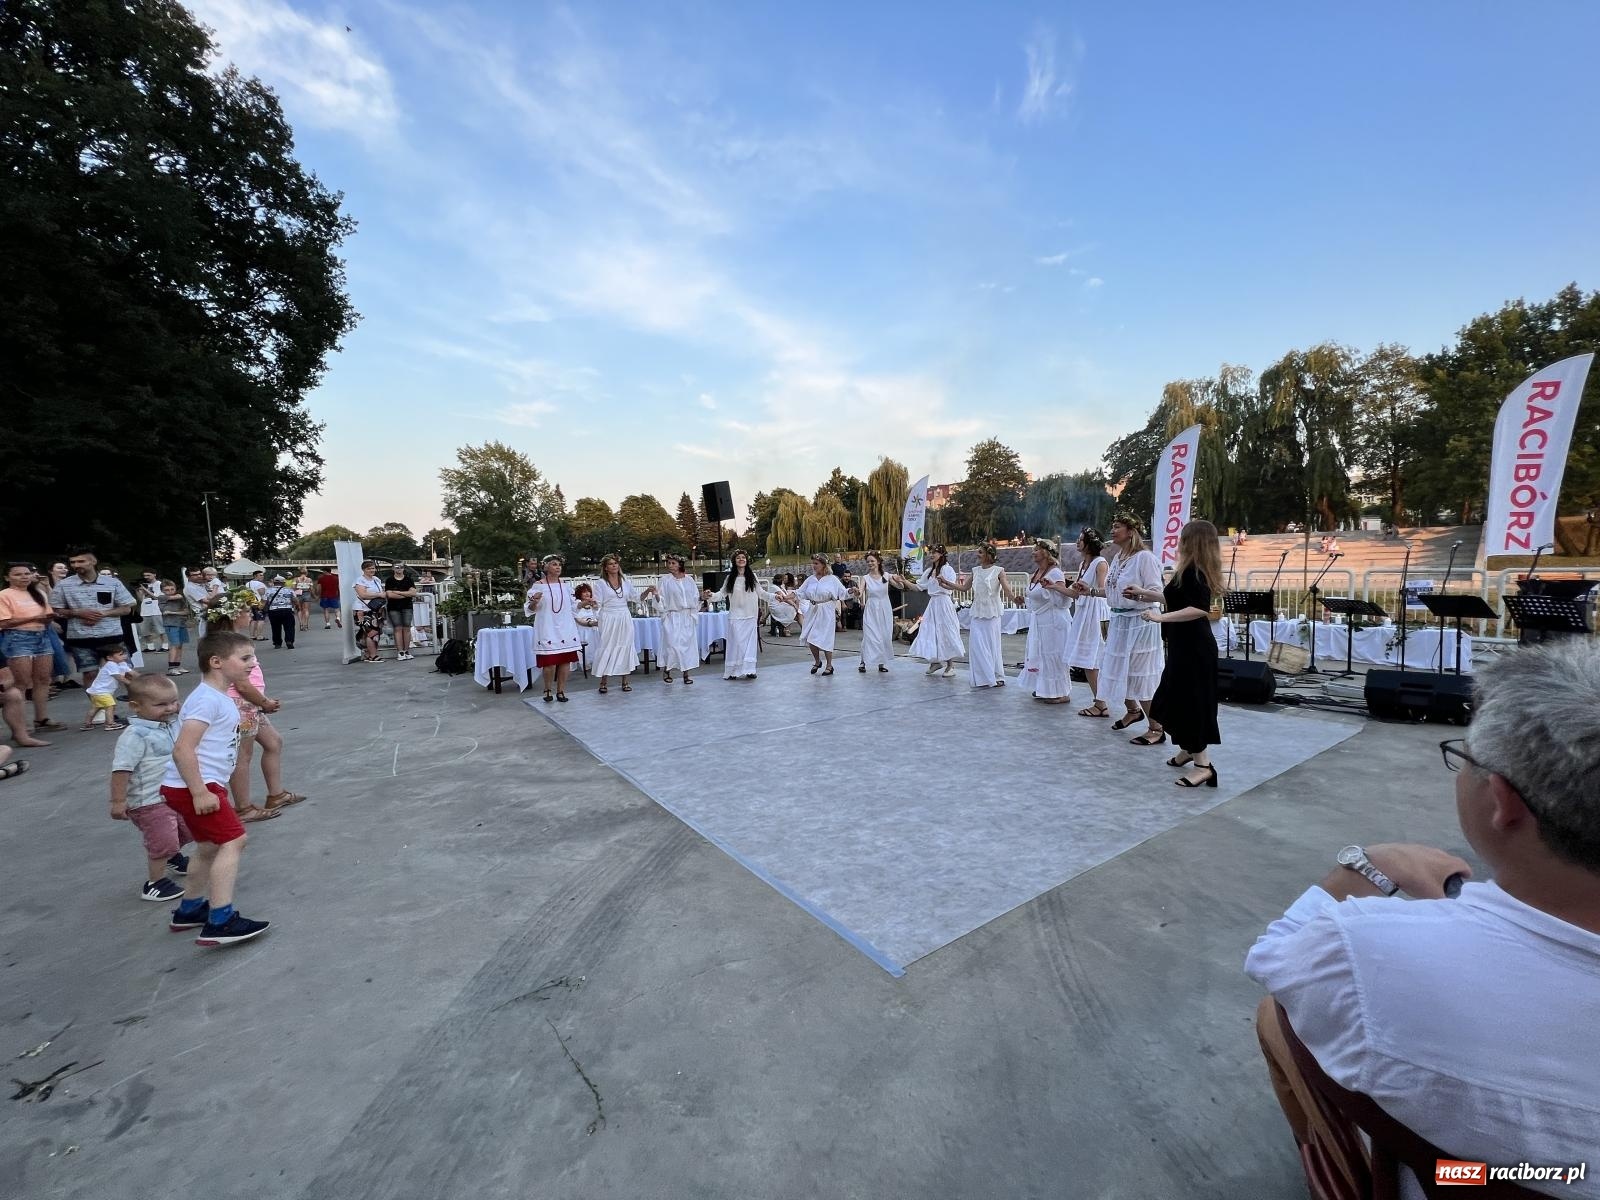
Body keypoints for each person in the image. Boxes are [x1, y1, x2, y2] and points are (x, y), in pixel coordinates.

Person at [1245, 643, 1600, 1200]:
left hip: (1470, 1179)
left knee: (1274, 1014)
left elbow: (1275, 958)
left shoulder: (1366, 949)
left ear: (1503, 802)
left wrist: (1372, 864)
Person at [159, 629, 271, 947]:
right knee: (235, 841)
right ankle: (220, 920)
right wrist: (199, 791)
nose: (253, 663)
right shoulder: (207, 700)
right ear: (217, 662)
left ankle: (190, 909)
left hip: (192, 786)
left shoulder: (217, 696)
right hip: (197, 787)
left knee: (208, 846)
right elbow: (183, 749)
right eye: (246, 657)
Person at [1137, 521, 1222, 785]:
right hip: (1182, 646)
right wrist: (1144, 594)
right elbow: (1178, 600)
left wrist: (1160, 619)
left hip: (1194, 649)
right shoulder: (1187, 570)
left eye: (1183, 537)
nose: (1178, 541)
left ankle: (1203, 765)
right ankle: (1187, 748)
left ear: (1192, 541)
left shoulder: (1197, 572)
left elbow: (1198, 609)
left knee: (1191, 703)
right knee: (1170, 700)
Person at [110, 674, 192, 902]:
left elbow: (186, 712)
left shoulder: (173, 722)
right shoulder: (134, 735)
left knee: (188, 829)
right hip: (149, 801)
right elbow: (121, 769)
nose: (170, 708)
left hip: (174, 793)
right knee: (162, 839)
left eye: (173, 701)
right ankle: (154, 883)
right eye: (161, 704)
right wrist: (118, 801)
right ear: (136, 707)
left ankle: (172, 856)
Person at [1098, 516, 1163, 732]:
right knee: (1116, 669)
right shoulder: (1117, 557)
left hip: (1142, 621)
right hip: (1120, 620)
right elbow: (1113, 591)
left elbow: (1157, 594)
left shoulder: (1145, 558)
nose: (1112, 530)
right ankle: (1133, 711)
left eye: (1117, 527)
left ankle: (1156, 727)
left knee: (1139, 673)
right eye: (1112, 525)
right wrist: (1088, 591)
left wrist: (1139, 596)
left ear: (1131, 531)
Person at [227, 654, 303, 819]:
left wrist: (261, 702)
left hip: (250, 704)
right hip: (241, 704)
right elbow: (242, 684)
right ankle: (243, 808)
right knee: (243, 756)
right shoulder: (229, 645)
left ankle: (276, 795)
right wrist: (264, 702)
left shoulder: (236, 641)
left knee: (273, 742)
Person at [50, 549, 136, 687]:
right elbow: (55, 609)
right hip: (81, 637)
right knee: (90, 674)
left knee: (125, 671)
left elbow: (127, 608)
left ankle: (138, 701)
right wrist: (77, 613)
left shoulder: (112, 583)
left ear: (93, 561)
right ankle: (100, 707)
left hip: (111, 635)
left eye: (81, 561)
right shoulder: (64, 585)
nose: (76, 565)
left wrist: (103, 613)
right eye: (73, 562)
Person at [0, 561, 62, 733]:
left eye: (26, 573)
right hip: (17, 638)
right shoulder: (4, 595)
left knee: (43, 680)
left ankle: (41, 718)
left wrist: (49, 618)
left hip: (42, 635)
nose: (24, 577)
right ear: (7, 577)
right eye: (18, 574)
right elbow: (5, 622)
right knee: (21, 683)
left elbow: (46, 614)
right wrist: (34, 618)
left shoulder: (38, 593)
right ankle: (21, 726)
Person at [894, 545, 962, 677]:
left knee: (946, 631)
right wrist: (904, 581)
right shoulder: (930, 571)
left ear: (941, 554)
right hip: (933, 604)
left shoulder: (947, 569)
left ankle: (950, 665)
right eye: (931, 553)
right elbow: (918, 587)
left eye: (934, 552)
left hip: (944, 602)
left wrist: (943, 582)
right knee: (929, 631)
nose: (931, 555)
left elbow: (950, 587)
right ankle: (935, 661)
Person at [1019, 541, 1073, 702]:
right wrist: (1024, 599)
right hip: (1041, 620)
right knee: (1043, 655)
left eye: (1037, 550)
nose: (1033, 553)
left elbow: (1063, 600)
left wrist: (1051, 588)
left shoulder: (1055, 573)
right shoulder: (1036, 572)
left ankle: (1062, 693)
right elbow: (1035, 596)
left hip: (1053, 620)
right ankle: (1045, 688)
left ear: (1046, 553)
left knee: (1054, 655)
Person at [956, 543, 1015, 689]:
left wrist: (1014, 598)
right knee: (977, 645)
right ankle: (982, 677)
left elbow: (1006, 589)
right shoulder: (975, 571)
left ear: (989, 555)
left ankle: (996, 675)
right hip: (977, 613)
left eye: (980, 552)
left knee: (992, 644)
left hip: (992, 613)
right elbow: (964, 588)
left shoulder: (999, 571)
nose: (978, 555)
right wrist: (946, 584)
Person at [1067, 530, 1111, 717]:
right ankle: (1100, 702)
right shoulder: (1083, 564)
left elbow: (1103, 590)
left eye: (1080, 540)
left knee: (1092, 660)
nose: (1077, 542)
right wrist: (1056, 586)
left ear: (1089, 543)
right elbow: (1077, 593)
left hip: (1096, 613)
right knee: (1087, 660)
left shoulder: (1100, 563)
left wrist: (1088, 589)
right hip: (1084, 613)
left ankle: (1101, 704)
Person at [526, 555, 581, 703]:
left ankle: (561, 690)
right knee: (549, 663)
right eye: (554, 564)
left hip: (565, 627)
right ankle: (547, 688)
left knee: (565, 662)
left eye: (559, 565)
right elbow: (530, 609)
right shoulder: (539, 585)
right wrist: (534, 601)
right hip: (547, 627)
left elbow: (574, 607)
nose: (558, 567)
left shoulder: (566, 586)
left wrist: (584, 604)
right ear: (546, 567)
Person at [591, 554, 647, 693]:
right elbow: (597, 603)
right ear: (605, 567)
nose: (614, 566)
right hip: (608, 617)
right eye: (610, 564)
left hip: (624, 616)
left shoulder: (625, 581)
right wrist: (590, 605)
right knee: (607, 646)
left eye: (615, 563)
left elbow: (636, 598)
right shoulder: (601, 583)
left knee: (625, 645)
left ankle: (625, 681)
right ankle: (603, 682)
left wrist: (648, 591)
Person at [718, 550, 777, 680]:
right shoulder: (730, 578)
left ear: (746, 560)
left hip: (750, 615)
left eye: (743, 557)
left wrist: (775, 596)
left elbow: (762, 594)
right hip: (735, 616)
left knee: (749, 645)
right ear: (734, 561)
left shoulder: (752, 576)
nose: (741, 559)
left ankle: (750, 670)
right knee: (736, 643)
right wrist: (710, 596)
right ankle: (733, 670)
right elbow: (721, 594)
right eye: (738, 558)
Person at [793, 553, 849, 675]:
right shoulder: (810, 579)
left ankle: (829, 665)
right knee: (810, 637)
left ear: (824, 565)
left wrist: (852, 591)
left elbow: (843, 593)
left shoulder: (833, 579)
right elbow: (800, 592)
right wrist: (788, 596)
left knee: (826, 637)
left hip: (826, 610)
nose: (813, 566)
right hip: (812, 609)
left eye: (816, 563)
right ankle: (817, 661)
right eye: (812, 563)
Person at [657, 553, 700, 686]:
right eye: (668, 563)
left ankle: (686, 673)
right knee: (672, 645)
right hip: (672, 616)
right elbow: (661, 598)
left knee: (686, 646)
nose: (670, 565)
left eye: (673, 563)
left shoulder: (689, 580)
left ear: (680, 564)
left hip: (686, 616)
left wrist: (701, 600)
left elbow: (695, 597)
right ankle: (667, 670)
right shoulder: (665, 580)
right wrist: (657, 597)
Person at [857, 552, 895, 674]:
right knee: (870, 635)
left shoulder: (886, 576)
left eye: (872, 561)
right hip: (872, 608)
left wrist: (900, 581)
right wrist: (856, 592)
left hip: (884, 607)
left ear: (878, 562)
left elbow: (899, 586)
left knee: (884, 635)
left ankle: (881, 663)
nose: (870, 563)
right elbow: (860, 592)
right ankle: (863, 661)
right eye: (868, 561)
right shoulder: (865, 578)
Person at [84, 645, 133, 731]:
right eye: (120, 654)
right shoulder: (111, 665)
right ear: (109, 657)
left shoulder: (117, 664)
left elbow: (130, 672)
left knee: (96, 707)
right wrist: (130, 683)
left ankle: (87, 723)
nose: (124, 656)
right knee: (110, 706)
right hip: (102, 692)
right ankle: (110, 723)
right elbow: (119, 677)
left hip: (96, 691)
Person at [158, 580, 194, 676]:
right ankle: (171, 668)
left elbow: (186, 612)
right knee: (174, 645)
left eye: (172, 589)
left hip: (181, 623)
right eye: (166, 590)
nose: (170, 591)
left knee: (180, 645)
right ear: (162, 591)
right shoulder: (162, 597)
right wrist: (177, 612)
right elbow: (173, 600)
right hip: (171, 624)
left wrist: (173, 612)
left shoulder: (179, 598)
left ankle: (178, 666)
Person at [383, 564, 418, 660]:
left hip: (407, 607)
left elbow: (414, 593)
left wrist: (398, 592)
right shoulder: (389, 580)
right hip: (393, 607)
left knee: (407, 628)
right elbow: (390, 595)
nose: (399, 569)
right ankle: (400, 652)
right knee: (397, 628)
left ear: (404, 569)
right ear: (393, 568)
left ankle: (407, 651)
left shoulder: (408, 579)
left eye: (401, 567)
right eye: (397, 567)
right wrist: (407, 594)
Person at [353, 562, 386, 662]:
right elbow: (362, 595)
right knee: (371, 632)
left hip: (376, 610)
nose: (372, 570)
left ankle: (368, 653)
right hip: (362, 610)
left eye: (373, 568)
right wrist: (379, 595)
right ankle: (373, 655)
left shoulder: (376, 579)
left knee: (374, 632)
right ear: (363, 569)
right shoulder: (360, 580)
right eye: (369, 569)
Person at [262, 575, 297, 649]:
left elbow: (264, 602)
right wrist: (296, 606)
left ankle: (277, 643)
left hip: (273, 611)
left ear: (274, 582)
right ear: (284, 583)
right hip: (287, 610)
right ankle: (289, 641)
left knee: (275, 627)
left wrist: (261, 609)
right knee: (289, 627)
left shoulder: (268, 590)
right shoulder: (289, 590)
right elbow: (295, 600)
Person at [136, 570, 166, 653]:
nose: (146, 577)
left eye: (148, 575)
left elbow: (157, 597)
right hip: (145, 611)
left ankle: (165, 646)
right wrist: (138, 590)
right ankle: (150, 647)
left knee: (161, 630)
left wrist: (145, 589)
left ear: (154, 574)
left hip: (156, 610)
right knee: (144, 631)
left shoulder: (159, 584)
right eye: (145, 575)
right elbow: (141, 599)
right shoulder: (144, 585)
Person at [245, 569, 269, 640]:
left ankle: (252, 635)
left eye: (263, 575)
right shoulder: (260, 584)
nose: (262, 576)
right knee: (261, 619)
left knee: (253, 620)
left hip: (251, 603)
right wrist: (264, 602)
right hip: (260, 603)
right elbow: (262, 594)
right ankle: (259, 636)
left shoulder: (248, 583)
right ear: (255, 576)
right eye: (260, 575)